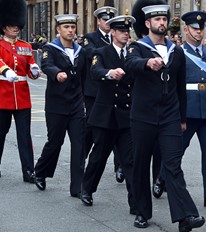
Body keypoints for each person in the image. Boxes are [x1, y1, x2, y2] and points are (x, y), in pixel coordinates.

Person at [126, 1, 205, 231]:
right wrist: (147, 63)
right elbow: (130, 64)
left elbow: (181, 86)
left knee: (172, 165)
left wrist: (182, 118)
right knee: (141, 164)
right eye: (157, 20)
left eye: (164, 19)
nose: (162, 23)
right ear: (148, 23)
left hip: (169, 116)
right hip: (143, 116)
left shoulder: (176, 51)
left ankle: (186, 216)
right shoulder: (138, 47)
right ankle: (142, 212)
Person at [80, 14, 136, 213]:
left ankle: (135, 203)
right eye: (121, 31)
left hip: (126, 114)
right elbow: (95, 71)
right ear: (112, 32)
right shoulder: (101, 52)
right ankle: (87, 189)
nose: (125, 34)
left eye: (127, 31)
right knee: (99, 157)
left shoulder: (132, 54)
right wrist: (109, 73)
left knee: (130, 160)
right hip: (105, 115)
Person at [0, 0, 41, 182]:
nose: (16, 28)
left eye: (17, 25)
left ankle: (28, 171)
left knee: (24, 136)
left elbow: (30, 66)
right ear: (4, 27)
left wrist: (34, 71)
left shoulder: (25, 46)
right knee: (0, 133)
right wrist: (5, 70)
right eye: (12, 25)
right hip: (3, 96)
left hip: (22, 96)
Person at [34, 14, 86, 198]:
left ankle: (78, 188)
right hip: (57, 105)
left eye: (72, 27)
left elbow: (85, 76)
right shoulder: (51, 48)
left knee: (79, 146)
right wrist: (57, 73)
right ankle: (40, 172)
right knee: (55, 143)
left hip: (76, 105)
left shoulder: (81, 50)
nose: (70, 30)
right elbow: (46, 65)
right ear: (58, 30)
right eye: (66, 27)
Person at [82, 6, 124, 182]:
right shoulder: (90, 39)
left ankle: (119, 166)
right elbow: (92, 55)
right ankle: (81, 156)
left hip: (117, 93)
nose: (107, 22)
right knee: (94, 130)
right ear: (98, 21)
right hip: (95, 92)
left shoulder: (121, 42)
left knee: (119, 129)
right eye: (104, 19)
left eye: (110, 19)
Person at [180, 11, 206, 208]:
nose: (199, 32)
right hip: (187, 109)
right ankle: (162, 176)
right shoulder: (178, 53)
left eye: (201, 28)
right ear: (186, 29)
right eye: (195, 28)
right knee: (177, 150)